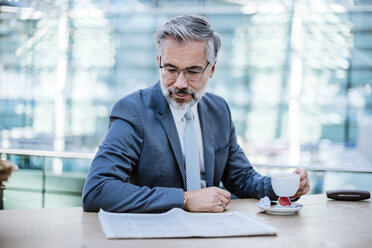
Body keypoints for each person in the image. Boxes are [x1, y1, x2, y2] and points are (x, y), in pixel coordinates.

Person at [82, 15, 310, 213]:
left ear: (211, 69)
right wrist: (184, 199)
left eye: (192, 71)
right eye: (170, 69)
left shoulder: (219, 109)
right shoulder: (133, 111)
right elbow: (98, 189)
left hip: (212, 229)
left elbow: (241, 178)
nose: (180, 83)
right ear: (158, 62)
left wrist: (284, 187)